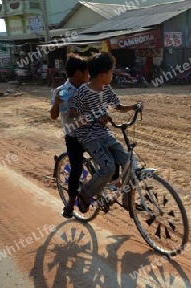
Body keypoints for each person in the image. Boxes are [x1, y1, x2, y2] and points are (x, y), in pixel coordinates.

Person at [69, 52, 140, 213]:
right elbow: (73, 114)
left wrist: (133, 107)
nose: (112, 75)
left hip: (104, 133)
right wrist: (93, 117)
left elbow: (118, 106)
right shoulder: (83, 92)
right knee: (108, 168)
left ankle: (127, 199)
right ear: (103, 74)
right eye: (111, 72)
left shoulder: (106, 89)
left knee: (131, 163)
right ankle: (85, 194)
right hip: (88, 136)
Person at [50, 53, 89, 218]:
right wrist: (58, 103)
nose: (89, 76)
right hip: (74, 137)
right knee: (77, 169)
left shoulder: (89, 89)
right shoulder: (61, 91)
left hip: (91, 133)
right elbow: (53, 116)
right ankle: (70, 204)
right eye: (87, 72)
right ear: (78, 73)